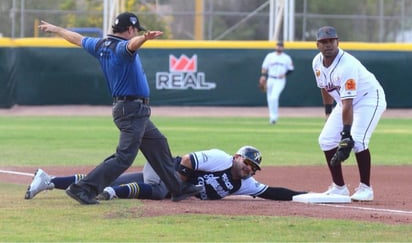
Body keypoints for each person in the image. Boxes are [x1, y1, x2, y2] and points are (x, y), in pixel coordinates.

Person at [38, 12, 202, 204]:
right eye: (135, 31)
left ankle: (177, 188)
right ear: (130, 29)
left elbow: (78, 39)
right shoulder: (122, 47)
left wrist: (57, 29)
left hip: (131, 110)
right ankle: (83, 188)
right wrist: (144, 39)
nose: (135, 34)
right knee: (124, 158)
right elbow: (131, 45)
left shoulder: (100, 45)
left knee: (158, 144)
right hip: (131, 109)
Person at [25, 146, 307, 201]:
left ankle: (47, 181)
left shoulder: (243, 185)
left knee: (101, 179)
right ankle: (112, 194)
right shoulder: (221, 158)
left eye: (253, 167)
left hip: (159, 174)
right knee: (161, 191)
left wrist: (307, 196)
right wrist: (179, 184)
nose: (248, 168)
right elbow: (186, 159)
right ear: (236, 157)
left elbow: (272, 193)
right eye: (246, 162)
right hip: (164, 168)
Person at [312, 26, 387, 201]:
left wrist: (346, 133)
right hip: (343, 102)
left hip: (369, 99)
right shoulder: (316, 62)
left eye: (331, 41)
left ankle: (366, 188)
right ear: (317, 44)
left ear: (338, 42)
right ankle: (339, 188)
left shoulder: (347, 65)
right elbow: (324, 87)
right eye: (324, 42)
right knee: (326, 139)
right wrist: (328, 113)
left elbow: (348, 103)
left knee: (358, 140)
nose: (328, 45)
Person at [258, 41, 294, 124]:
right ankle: (272, 118)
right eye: (278, 46)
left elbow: (291, 69)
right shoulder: (270, 56)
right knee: (269, 99)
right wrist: (263, 76)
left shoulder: (286, 58)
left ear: (283, 48)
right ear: (276, 47)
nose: (279, 47)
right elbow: (264, 67)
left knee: (274, 97)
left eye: (281, 46)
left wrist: (284, 74)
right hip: (270, 78)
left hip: (280, 80)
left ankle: (274, 117)